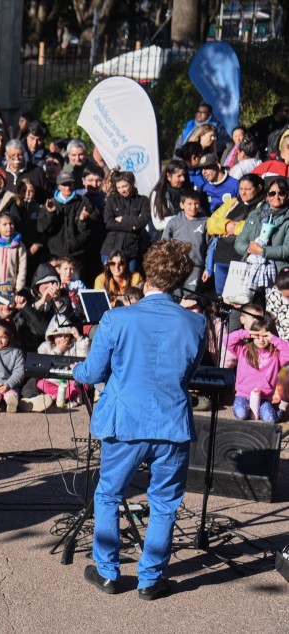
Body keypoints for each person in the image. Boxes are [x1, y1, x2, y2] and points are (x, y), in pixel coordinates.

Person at [74, 239, 206, 601]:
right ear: (180, 279)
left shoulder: (117, 317)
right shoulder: (196, 323)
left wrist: (74, 368)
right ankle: (149, 579)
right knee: (164, 503)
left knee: (108, 495)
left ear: (147, 273)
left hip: (125, 422)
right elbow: (190, 372)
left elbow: (92, 372)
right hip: (171, 423)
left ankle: (107, 572)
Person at [224, 315, 288, 423]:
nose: (261, 340)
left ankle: (280, 409)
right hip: (243, 394)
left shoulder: (276, 355)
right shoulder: (244, 350)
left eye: (265, 336)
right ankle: (252, 411)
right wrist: (247, 333)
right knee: (241, 414)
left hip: (264, 397)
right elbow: (226, 340)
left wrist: (274, 339)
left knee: (269, 419)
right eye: (257, 336)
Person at [101, 172, 148, 271]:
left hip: (131, 249)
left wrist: (122, 219)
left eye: (124, 186)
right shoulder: (112, 201)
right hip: (110, 248)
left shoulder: (143, 201)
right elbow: (108, 222)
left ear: (131, 183)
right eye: (119, 187)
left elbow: (143, 220)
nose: (122, 190)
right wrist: (132, 226)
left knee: (131, 279)